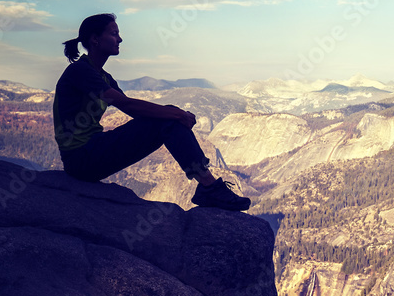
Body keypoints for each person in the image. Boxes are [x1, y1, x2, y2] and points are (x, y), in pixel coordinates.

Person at [52, 13, 250, 211]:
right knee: (169, 116)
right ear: (95, 39)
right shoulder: (80, 72)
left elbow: (137, 113)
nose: (120, 39)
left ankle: (208, 186)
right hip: (80, 158)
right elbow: (129, 105)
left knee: (168, 117)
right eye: (114, 33)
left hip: (92, 152)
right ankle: (209, 186)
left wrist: (173, 114)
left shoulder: (103, 77)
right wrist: (176, 114)